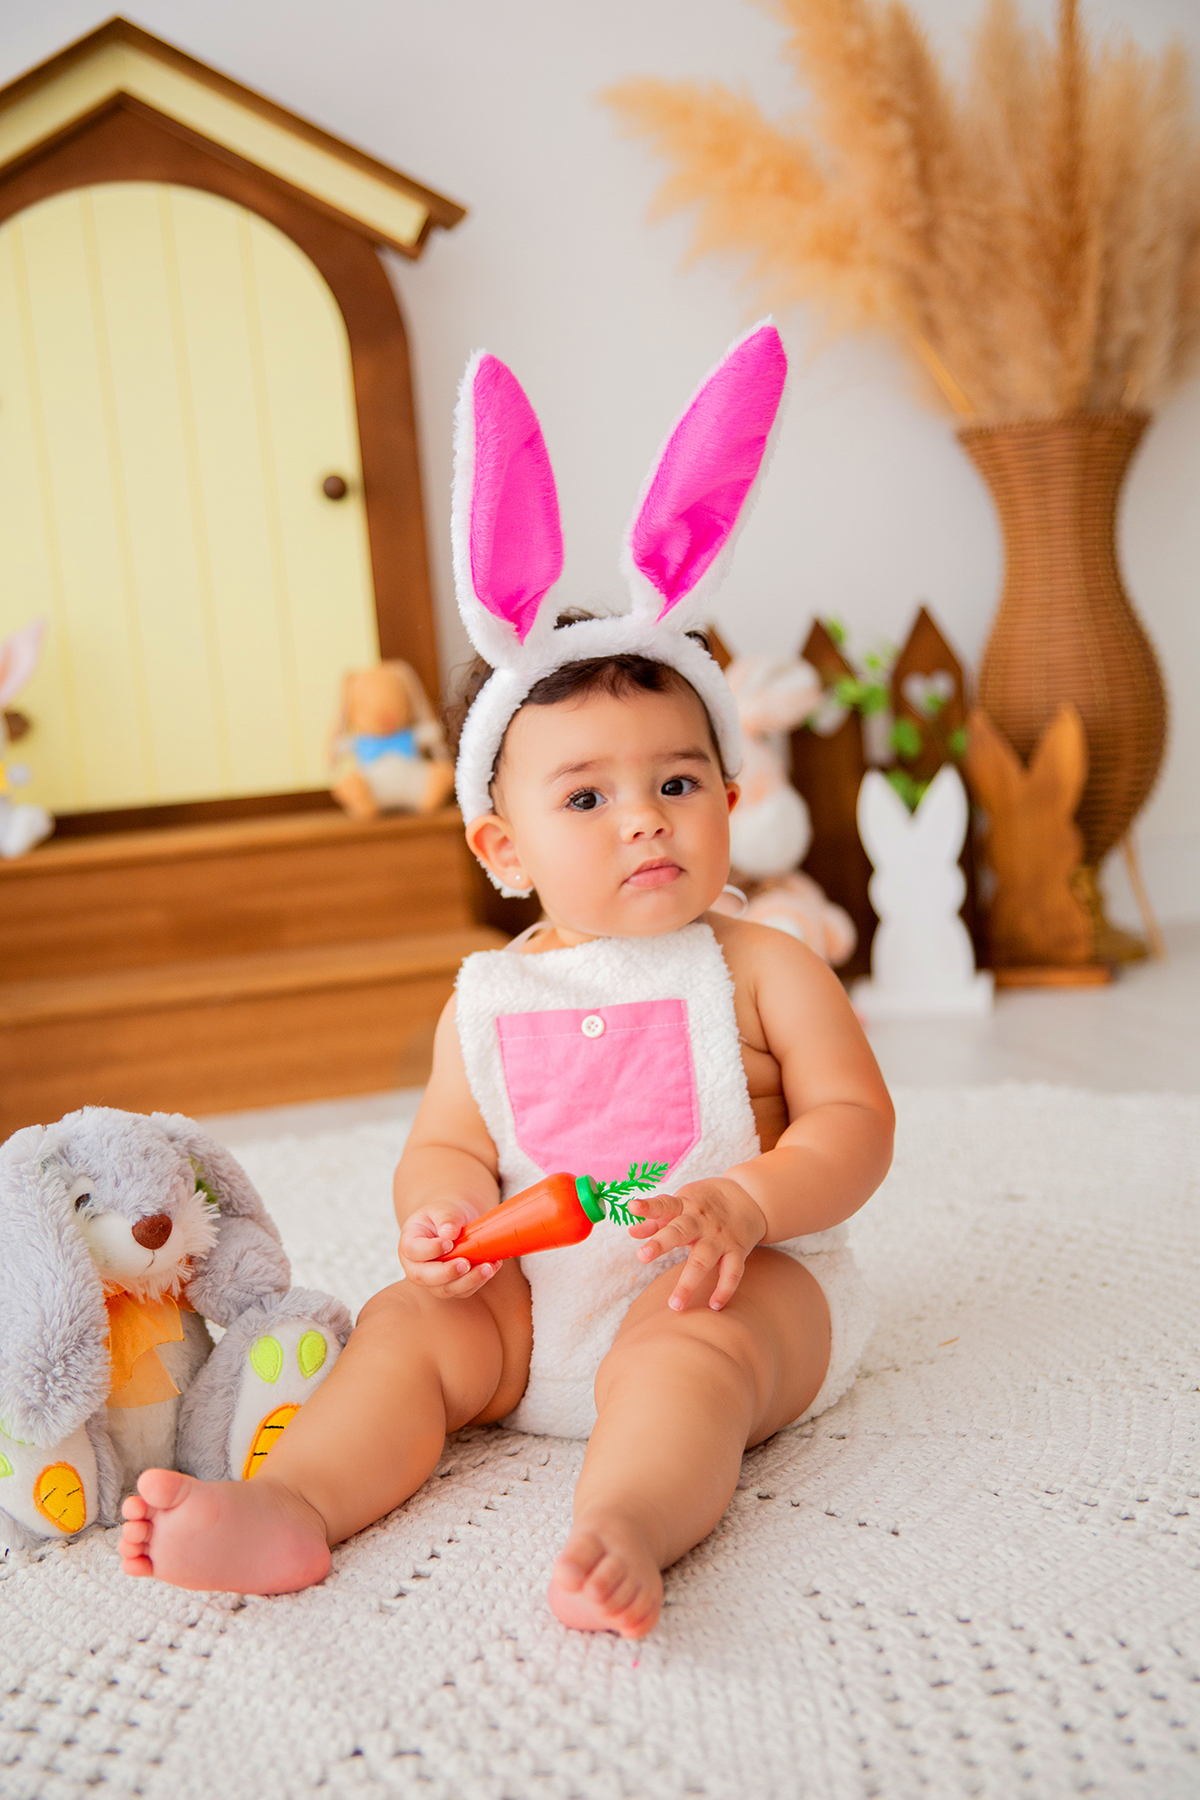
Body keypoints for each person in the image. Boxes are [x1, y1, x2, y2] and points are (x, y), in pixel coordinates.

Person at [119, 325, 894, 1638]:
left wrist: (748, 1204)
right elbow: (445, 1144)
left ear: (727, 793)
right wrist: (442, 1224)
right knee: (402, 1330)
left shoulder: (761, 963)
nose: (645, 819)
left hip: (737, 1283)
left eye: (677, 782)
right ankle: (295, 1507)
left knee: (689, 1360)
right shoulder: (489, 999)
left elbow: (855, 1128)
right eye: (587, 795)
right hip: (533, 1310)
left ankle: (628, 1526)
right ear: (506, 848)